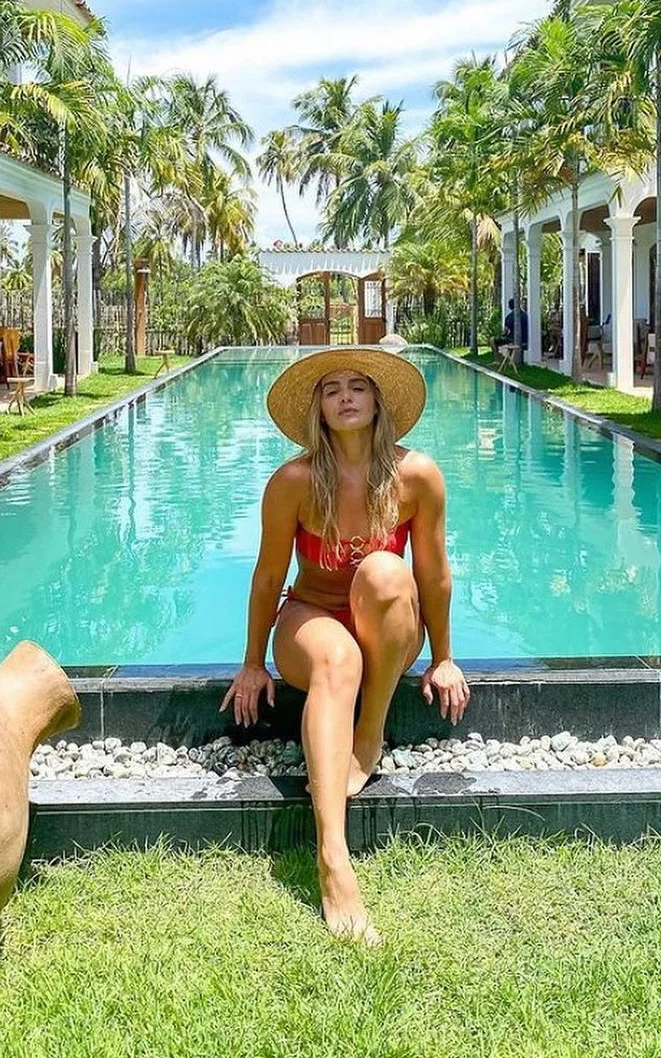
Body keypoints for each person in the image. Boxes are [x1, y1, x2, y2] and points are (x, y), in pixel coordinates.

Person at [220, 347, 469, 945]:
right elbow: (268, 577)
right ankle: (333, 857)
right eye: (332, 389)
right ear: (319, 408)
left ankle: (369, 734)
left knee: (386, 572)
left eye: (359, 386)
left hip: (384, 622)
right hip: (310, 621)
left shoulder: (417, 476)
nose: (347, 396)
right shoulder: (294, 482)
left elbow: (433, 575)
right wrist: (253, 662)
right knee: (338, 657)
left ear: (378, 402)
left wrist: (443, 657)